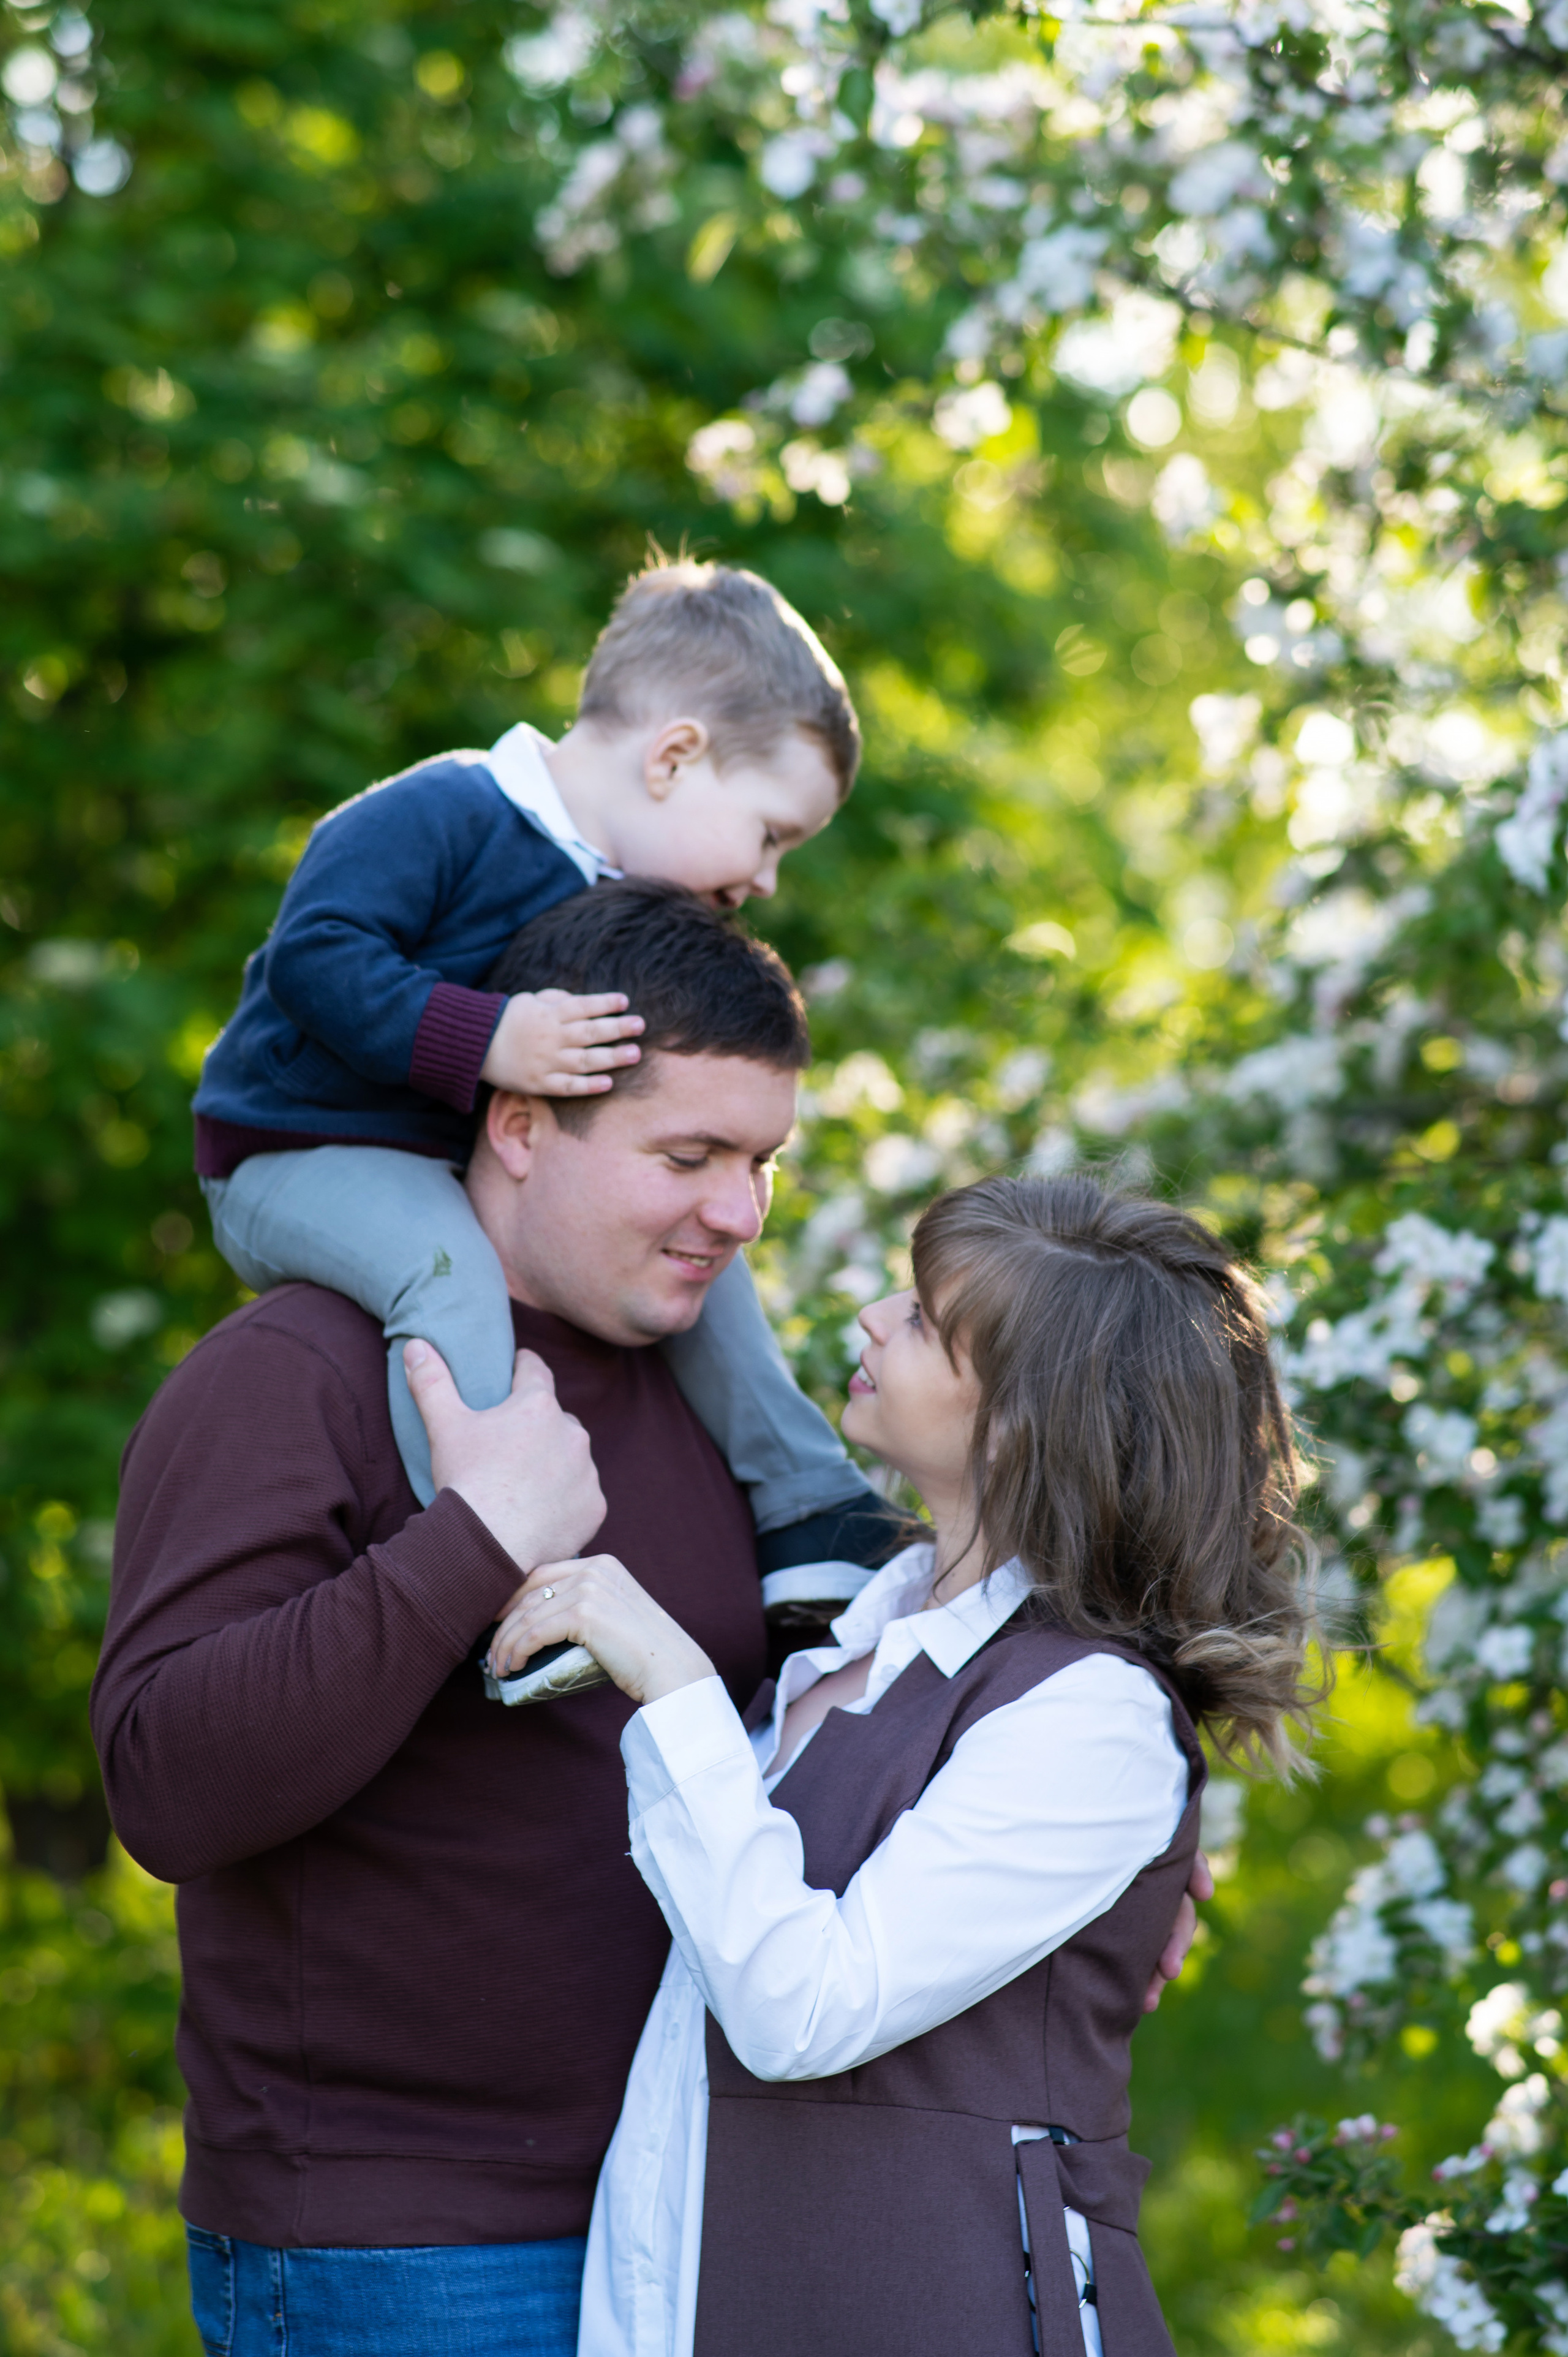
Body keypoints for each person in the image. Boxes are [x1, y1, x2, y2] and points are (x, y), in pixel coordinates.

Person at [94, 888, 1204, 2357]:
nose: (737, 1214)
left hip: (693, 2224)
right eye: (686, 1155)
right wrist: (472, 1539)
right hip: (407, 2246)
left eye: (759, 1162)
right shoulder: (297, 1372)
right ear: (519, 1123)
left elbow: (957, 1648)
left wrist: (1141, 1846)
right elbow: (167, 1788)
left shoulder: (709, 1405)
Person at [472, 1174, 1319, 2357]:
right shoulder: (862, 1632)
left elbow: (799, 2009)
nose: (871, 1316)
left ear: (1025, 1418)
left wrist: (673, 1686)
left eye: (923, 1319)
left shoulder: (1094, 1719)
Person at [192, 558, 881, 1587]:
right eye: (770, 834)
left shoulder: (620, 901)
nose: (766, 880)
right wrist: (486, 1039)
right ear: (676, 757)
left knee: (707, 1247)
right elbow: (315, 953)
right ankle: (493, 1552)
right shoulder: (447, 811)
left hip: (443, 1159)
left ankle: (810, 1511)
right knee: (449, 1275)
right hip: (296, 1149)